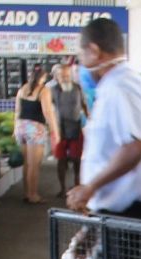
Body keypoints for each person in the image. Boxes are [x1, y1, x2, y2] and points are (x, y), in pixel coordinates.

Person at [66, 18, 141, 223]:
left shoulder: (120, 87)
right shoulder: (117, 84)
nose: (81, 63)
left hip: (131, 213)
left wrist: (90, 187)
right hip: (119, 211)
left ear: (94, 51)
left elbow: (136, 146)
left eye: (81, 55)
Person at [14, 65, 60, 204]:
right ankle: (33, 195)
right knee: (34, 164)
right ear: (43, 77)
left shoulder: (22, 89)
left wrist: (14, 129)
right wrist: (55, 131)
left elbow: (17, 110)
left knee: (27, 164)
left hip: (21, 127)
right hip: (35, 129)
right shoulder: (43, 90)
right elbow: (48, 113)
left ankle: (26, 193)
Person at [51, 64, 87, 197]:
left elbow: (84, 104)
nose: (65, 78)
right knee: (61, 159)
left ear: (71, 75)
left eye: (67, 75)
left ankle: (77, 184)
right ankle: (62, 188)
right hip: (59, 128)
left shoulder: (78, 88)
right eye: (61, 76)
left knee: (77, 158)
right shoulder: (52, 90)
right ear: (56, 77)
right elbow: (49, 109)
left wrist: (90, 119)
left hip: (76, 126)